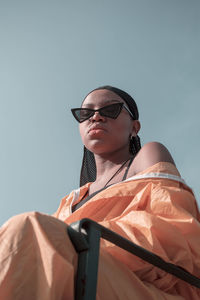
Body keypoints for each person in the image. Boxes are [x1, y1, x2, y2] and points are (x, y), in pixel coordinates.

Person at [0, 86, 200, 300]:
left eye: (110, 109)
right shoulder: (72, 199)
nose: (96, 117)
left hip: (139, 286)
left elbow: (173, 228)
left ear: (134, 127)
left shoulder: (147, 156)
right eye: (86, 113)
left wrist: (77, 242)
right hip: (77, 274)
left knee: (27, 228)